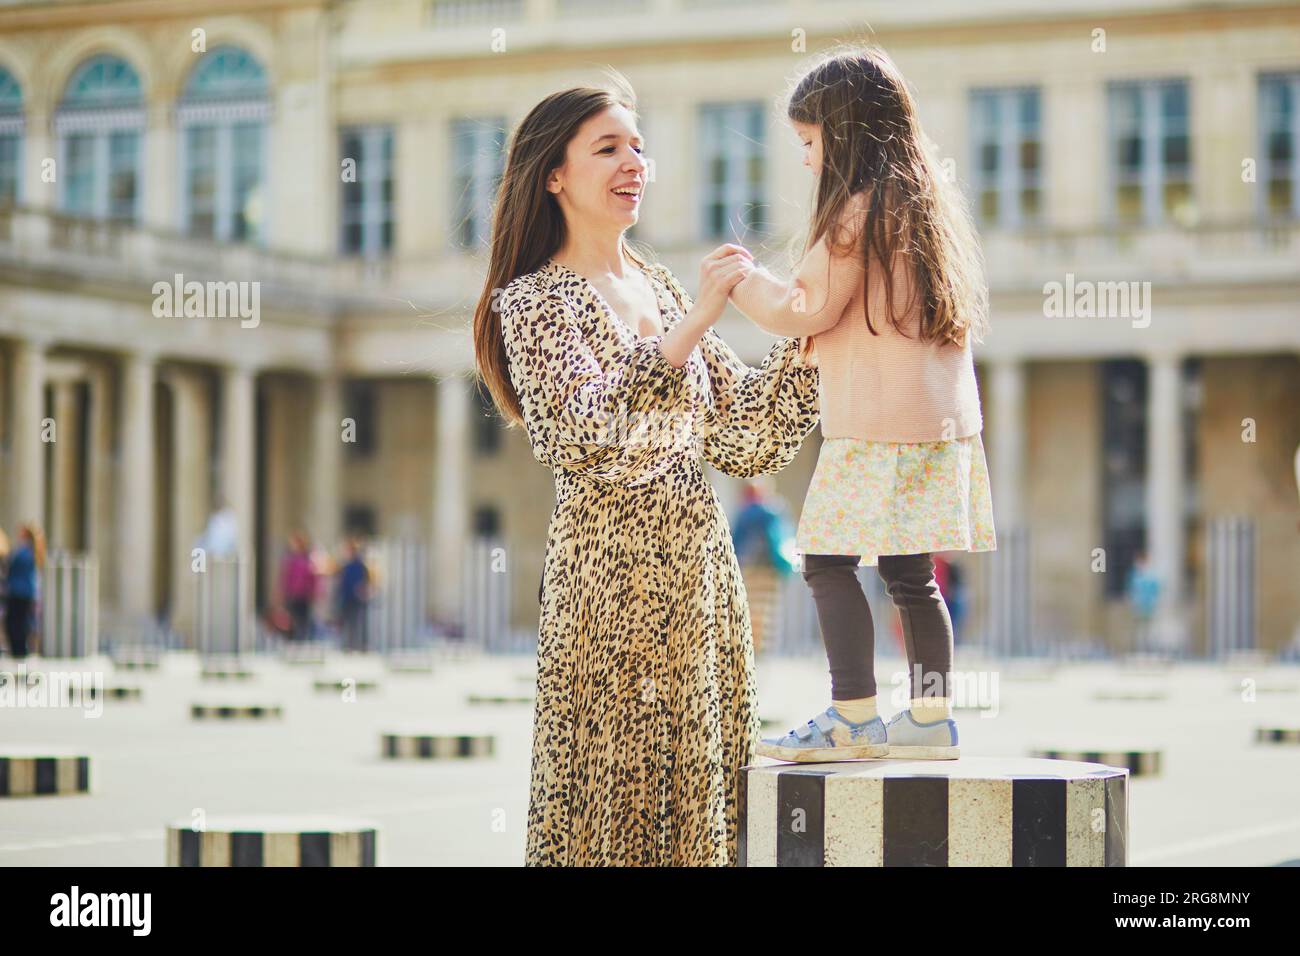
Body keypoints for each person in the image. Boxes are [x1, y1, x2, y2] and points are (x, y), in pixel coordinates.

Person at [472, 75, 820, 866]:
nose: (635, 161)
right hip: (606, 589)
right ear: (553, 175)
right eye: (608, 148)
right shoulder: (532, 302)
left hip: (700, 582)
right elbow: (587, 437)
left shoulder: (660, 285)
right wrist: (693, 323)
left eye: (638, 145)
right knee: (614, 814)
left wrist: (821, 332)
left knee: (707, 808)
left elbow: (745, 441)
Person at [726, 46, 997, 762]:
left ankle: (852, 713)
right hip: (939, 427)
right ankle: (932, 717)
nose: (808, 161)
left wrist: (740, 282)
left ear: (843, 136)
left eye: (811, 144)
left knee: (823, 559)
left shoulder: (854, 215)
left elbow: (804, 309)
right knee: (912, 575)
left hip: (874, 426)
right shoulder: (929, 206)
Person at [730, 480, 796, 656]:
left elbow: (735, 541)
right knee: (767, 609)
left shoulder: (744, 512)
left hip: (748, 567)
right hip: (770, 568)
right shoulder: (775, 511)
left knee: (750, 607)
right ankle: (762, 647)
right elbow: (783, 538)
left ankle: (750, 646)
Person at [4, 524, 44, 660]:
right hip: (25, 593)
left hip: (18, 593)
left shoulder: (24, 552)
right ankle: (20, 652)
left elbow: (11, 565)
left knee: (15, 624)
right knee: (21, 623)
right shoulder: (31, 551)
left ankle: (19, 653)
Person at [278, 532, 317, 643]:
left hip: (304, 594)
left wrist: (313, 591)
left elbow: (312, 577)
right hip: (292, 594)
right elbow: (285, 577)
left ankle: (303, 639)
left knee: (304, 618)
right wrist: (283, 592)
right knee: (292, 618)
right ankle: (294, 639)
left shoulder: (308, 559)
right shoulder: (290, 559)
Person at [336, 538, 370, 653]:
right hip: (347, 597)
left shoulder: (359, 565)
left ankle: (359, 645)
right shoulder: (345, 565)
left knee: (357, 622)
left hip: (356, 598)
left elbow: (364, 581)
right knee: (347, 622)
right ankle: (348, 645)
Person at [1126, 550, 1161, 655]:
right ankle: (1139, 650)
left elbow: (1156, 591)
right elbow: (1130, 590)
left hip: (1149, 607)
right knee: (1139, 630)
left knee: (1150, 629)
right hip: (1138, 607)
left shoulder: (1151, 576)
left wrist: (1154, 602)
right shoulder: (1134, 575)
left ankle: (1149, 650)